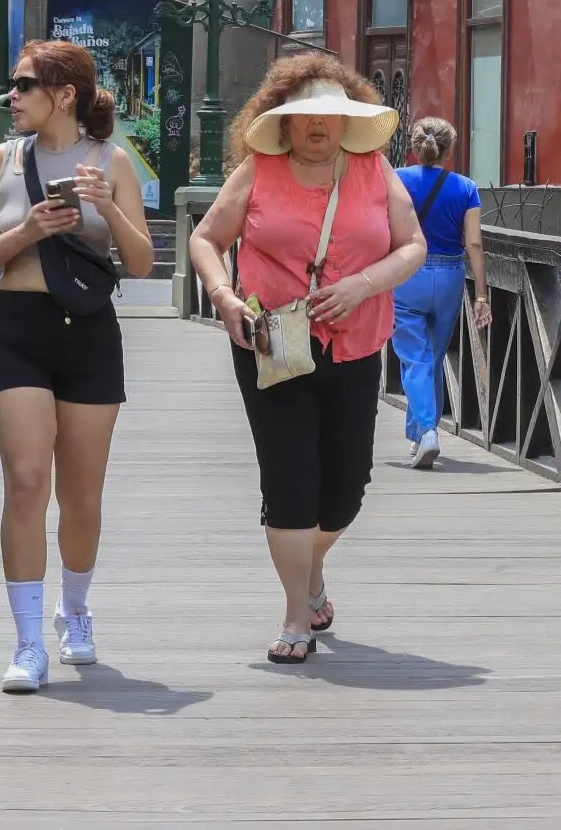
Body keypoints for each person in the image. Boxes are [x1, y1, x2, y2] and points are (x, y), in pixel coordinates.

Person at [189, 54, 425, 665]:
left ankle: (311, 565)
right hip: (273, 343)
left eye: (331, 114)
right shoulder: (257, 172)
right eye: (305, 115)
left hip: (356, 345)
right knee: (289, 478)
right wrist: (222, 293)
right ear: (283, 123)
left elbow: (414, 247)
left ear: (348, 122)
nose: (319, 124)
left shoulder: (375, 171)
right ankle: (297, 612)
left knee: (347, 486)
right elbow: (206, 239)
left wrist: (363, 285)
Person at [0, 39, 155, 694]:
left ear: (63, 94)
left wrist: (107, 206)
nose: (10, 97)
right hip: (18, 331)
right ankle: (26, 644)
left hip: (91, 334)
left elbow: (145, 261)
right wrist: (27, 233)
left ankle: (74, 610)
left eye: (22, 86)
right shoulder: (1, 160)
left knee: (81, 496)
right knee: (24, 480)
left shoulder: (112, 161)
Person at [392, 118, 492, 469]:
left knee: (415, 357)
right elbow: (475, 242)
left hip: (407, 272)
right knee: (432, 356)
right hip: (450, 275)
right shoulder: (466, 187)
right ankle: (419, 435)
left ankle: (428, 431)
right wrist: (481, 295)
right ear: (450, 150)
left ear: (414, 147)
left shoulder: (396, 180)